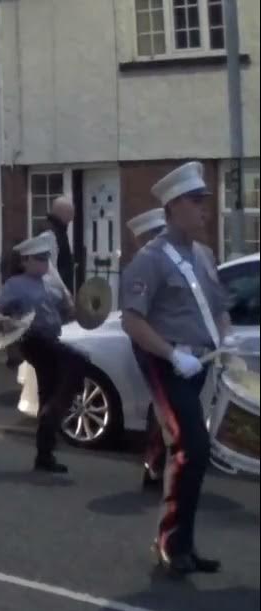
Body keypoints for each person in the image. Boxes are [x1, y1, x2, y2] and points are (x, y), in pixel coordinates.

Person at [121, 162, 234, 576]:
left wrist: (225, 339)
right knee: (193, 448)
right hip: (169, 363)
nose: (204, 209)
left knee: (188, 451)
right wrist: (172, 355)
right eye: (196, 202)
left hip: (201, 362)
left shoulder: (203, 255)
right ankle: (172, 544)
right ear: (173, 207)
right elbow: (132, 320)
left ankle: (179, 540)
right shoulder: (151, 259)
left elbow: (218, 308)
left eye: (204, 201)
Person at [0, 233, 84, 473]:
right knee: (77, 362)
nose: (43, 262)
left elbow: (67, 310)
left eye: (46, 257)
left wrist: (77, 307)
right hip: (32, 339)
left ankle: (44, 454)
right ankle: (53, 412)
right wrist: (3, 320)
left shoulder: (52, 283)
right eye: (38, 258)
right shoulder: (16, 285)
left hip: (52, 337)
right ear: (25, 262)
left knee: (49, 387)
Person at [122, 208, 168, 490]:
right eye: (158, 235)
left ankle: (159, 463)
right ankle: (154, 464)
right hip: (150, 343)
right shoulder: (142, 266)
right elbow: (136, 317)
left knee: (164, 404)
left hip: (167, 342)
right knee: (163, 404)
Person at [44, 196, 79, 294]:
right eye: (70, 214)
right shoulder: (51, 234)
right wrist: (64, 291)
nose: (72, 218)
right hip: (55, 292)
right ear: (63, 213)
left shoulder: (59, 231)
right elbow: (50, 268)